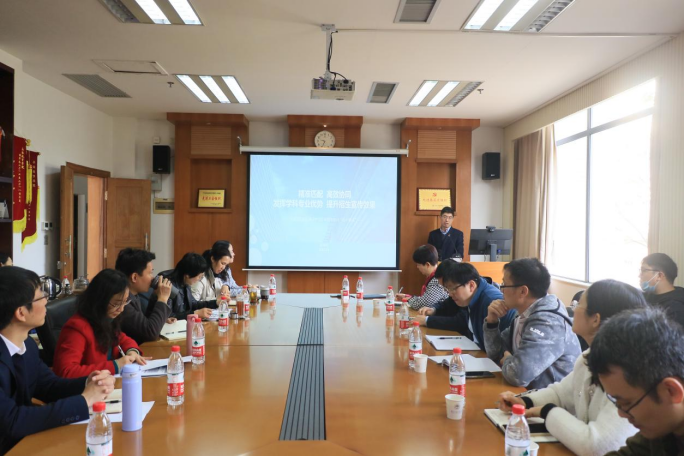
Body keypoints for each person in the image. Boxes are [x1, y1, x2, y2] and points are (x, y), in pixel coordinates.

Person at [498, 279, 645, 455]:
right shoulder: (588, 357)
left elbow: (596, 446)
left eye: (579, 304)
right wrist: (525, 402)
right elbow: (561, 393)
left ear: (595, 319)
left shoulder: (627, 375)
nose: (573, 309)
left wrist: (546, 412)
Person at [0, 267, 115, 453]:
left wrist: (89, 382)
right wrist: (85, 400)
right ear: (21, 313)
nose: (46, 300)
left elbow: (49, 386)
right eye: (41, 296)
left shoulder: (27, 345)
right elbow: (12, 421)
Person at [588, 307, 684, 455]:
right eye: (617, 403)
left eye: (627, 403)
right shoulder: (663, 427)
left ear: (671, 391)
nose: (621, 414)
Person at [484, 258, 581, 390]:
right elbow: (496, 353)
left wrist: (506, 359)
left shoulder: (548, 322)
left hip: (552, 399)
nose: (501, 290)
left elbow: (518, 375)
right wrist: (492, 321)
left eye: (504, 285)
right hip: (527, 394)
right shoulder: (524, 313)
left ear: (523, 291)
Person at [53, 269, 149, 379]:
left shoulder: (105, 319)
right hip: (85, 388)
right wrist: (116, 365)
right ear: (100, 300)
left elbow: (122, 339)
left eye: (125, 302)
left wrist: (132, 351)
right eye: (117, 304)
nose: (121, 309)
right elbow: (66, 372)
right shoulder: (77, 328)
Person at [416, 261, 516, 351]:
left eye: (453, 289)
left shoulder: (490, 300)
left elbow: (500, 351)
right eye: (448, 289)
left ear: (471, 285)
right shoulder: (471, 297)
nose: (450, 294)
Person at [115, 248, 174, 344]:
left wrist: (160, 318)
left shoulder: (134, 295)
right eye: (150, 273)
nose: (153, 278)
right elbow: (150, 333)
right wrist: (162, 299)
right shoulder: (121, 302)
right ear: (134, 277)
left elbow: (144, 323)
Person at [166, 253, 218, 320]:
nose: (199, 279)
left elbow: (193, 304)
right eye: (199, 276)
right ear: (187, 275)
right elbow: (168, 316)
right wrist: (195, 313)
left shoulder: (185, 282)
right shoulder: (168, 286)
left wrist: (215, 303)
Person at [395, 245, 448, 310]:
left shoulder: (436, 280)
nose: (417, 267)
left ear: (427, 265)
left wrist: (407, 299)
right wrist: (407, 296)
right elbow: (424, 299)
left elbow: (423, 304)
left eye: (418, 264)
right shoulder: (434, 276)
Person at [639, 253, 684, 328]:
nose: (640, 275)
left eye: (644, 270)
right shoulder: (644, 297)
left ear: (659, 276)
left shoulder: (675, 309)